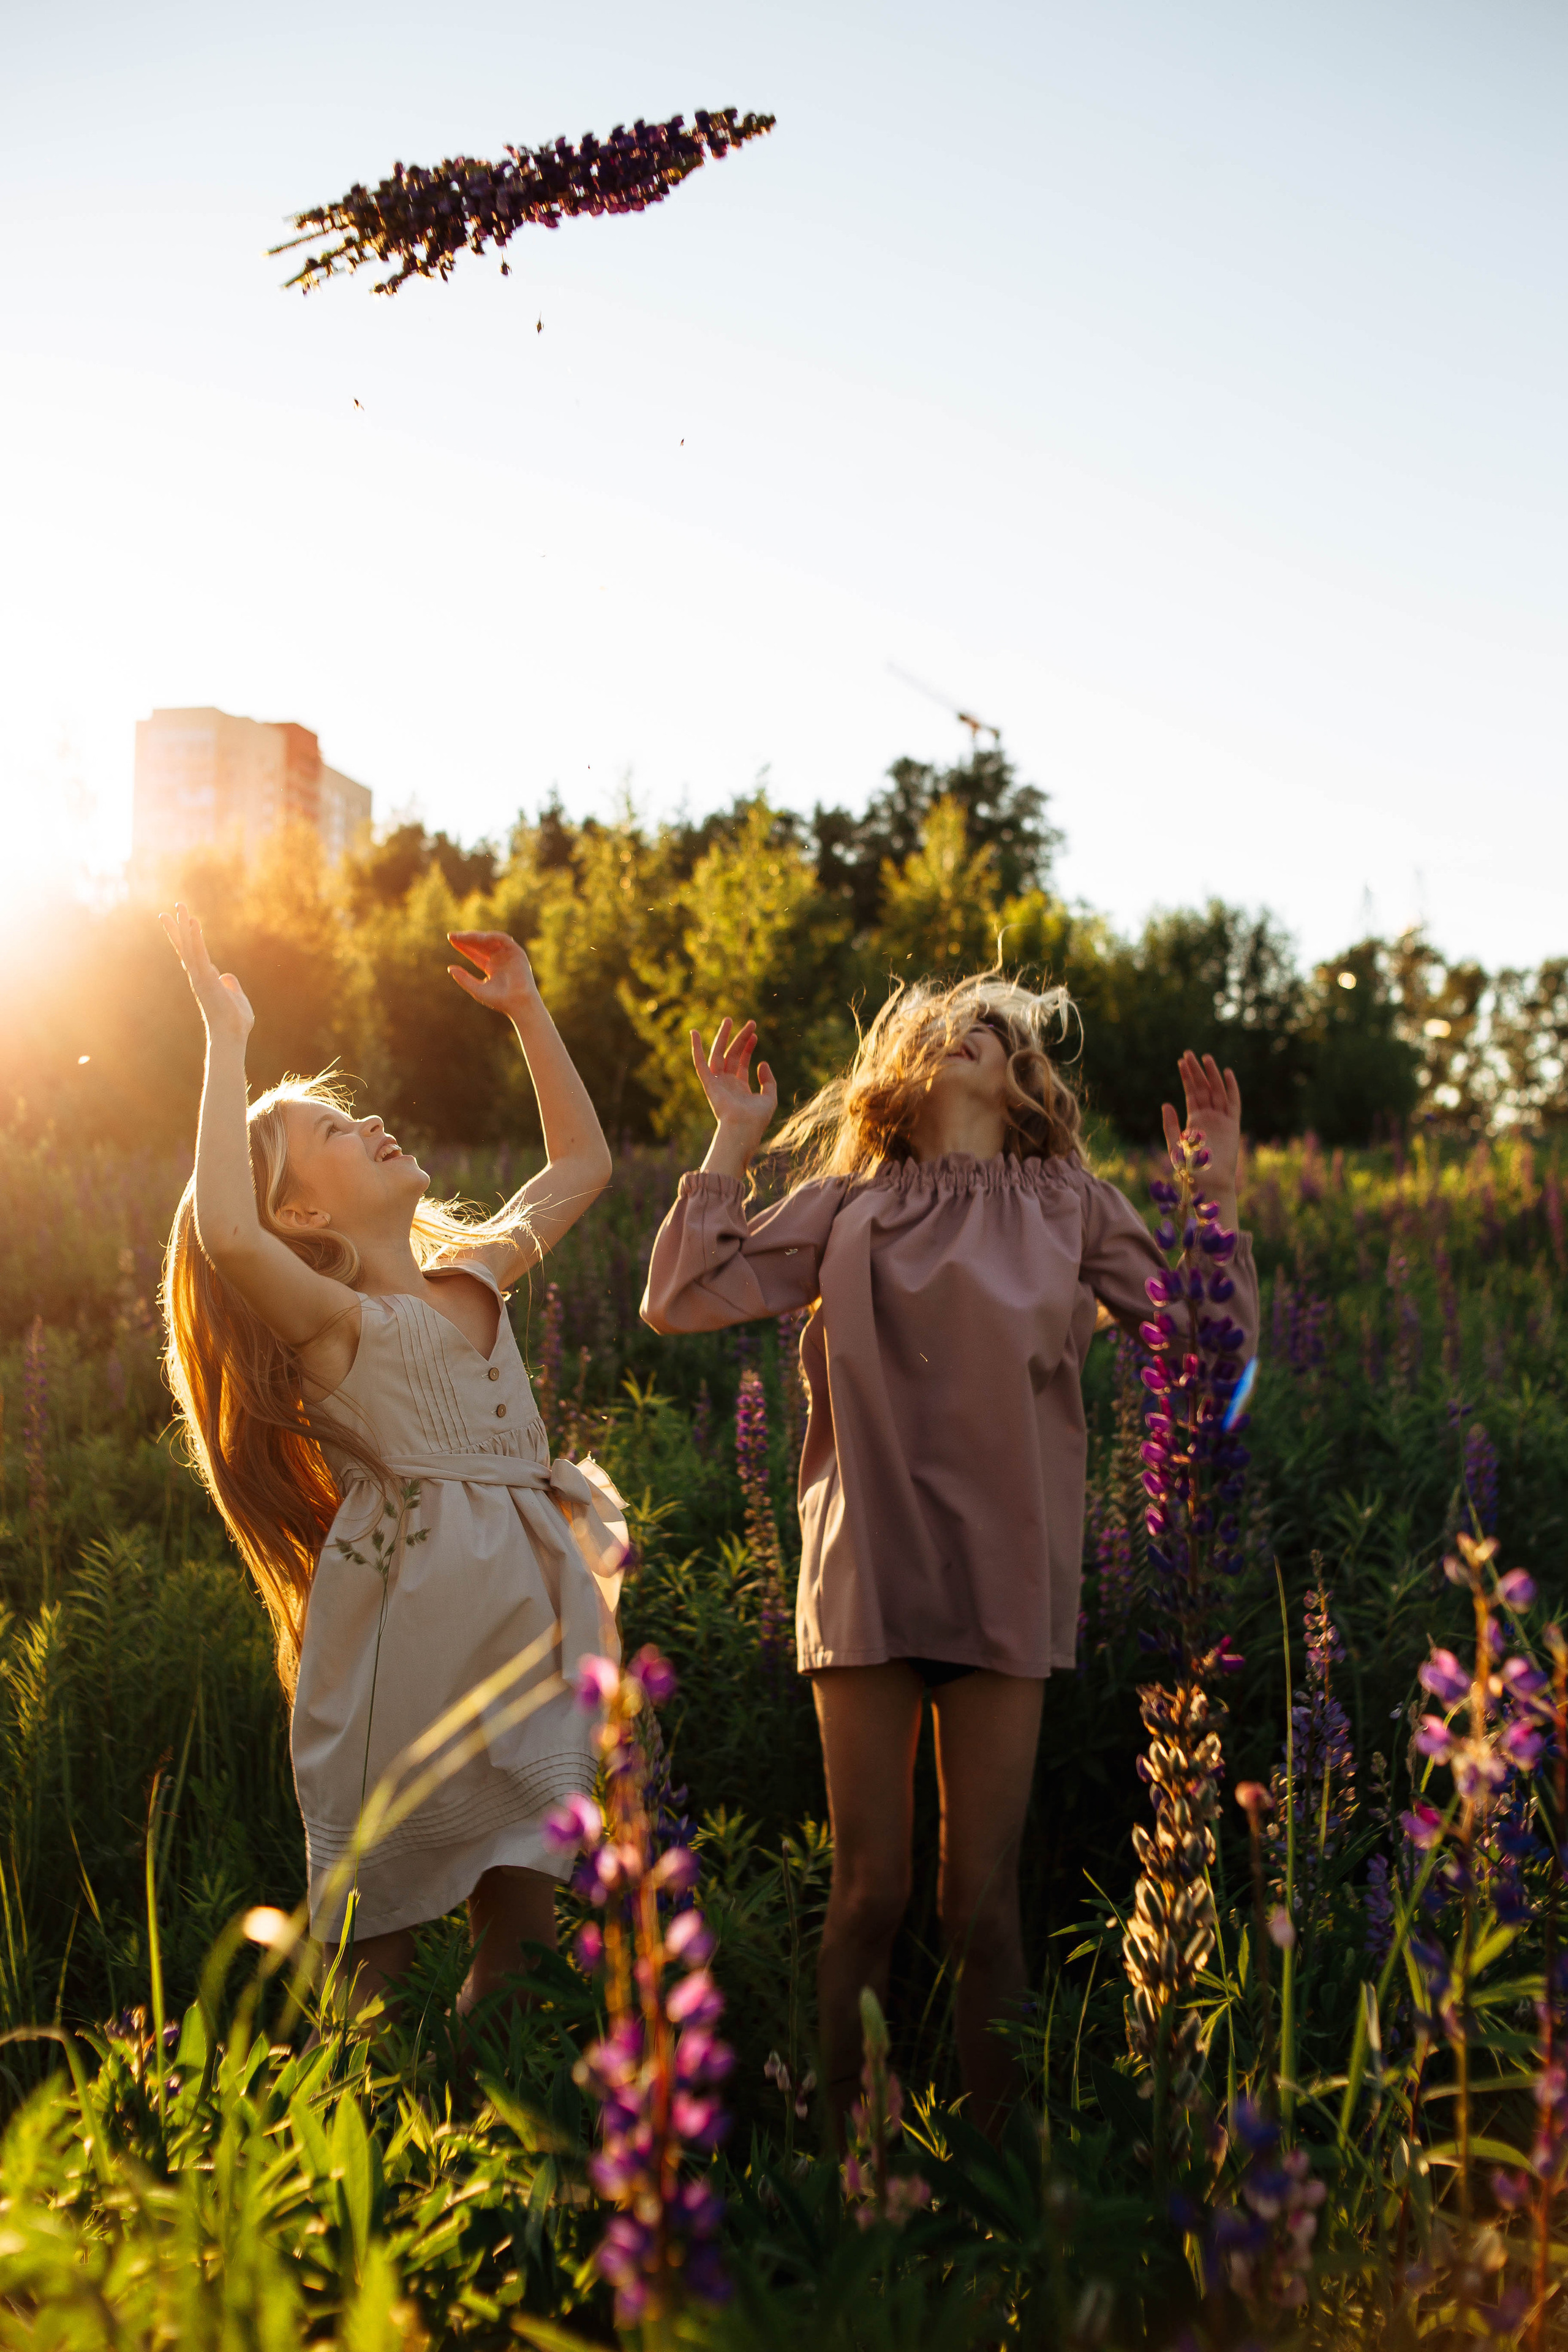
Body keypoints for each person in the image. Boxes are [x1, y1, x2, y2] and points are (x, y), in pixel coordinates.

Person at [640, 974, 1259, 2140]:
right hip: (867, 1564)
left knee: (982, 1909)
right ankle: (848, 2163)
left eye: (1010, 1030)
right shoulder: (847, 1200)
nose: (986, 1030)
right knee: (869, 1896)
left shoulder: (1069, 1201)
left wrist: (1212, 1195)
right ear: (908, 1066)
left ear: (1027, 1077)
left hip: (1006, 1576)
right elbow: (681, 1298)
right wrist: (732, 1137)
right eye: (959, 1021)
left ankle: (998, 2182)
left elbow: (1206, 1347)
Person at [159, 904, 627, 2020]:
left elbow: (585, 1162)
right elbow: (225, 1234)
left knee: (526, 1934)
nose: (365, 1118)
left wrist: (527, 1011)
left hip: (531, 1634)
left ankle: (489, 2164)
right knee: (377, 1955)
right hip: (403, 1656)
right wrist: (226, 1039)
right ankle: (346, 2164)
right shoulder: (335, 1323)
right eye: (328, 1129)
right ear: (300, 1211)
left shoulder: (475, 1277)